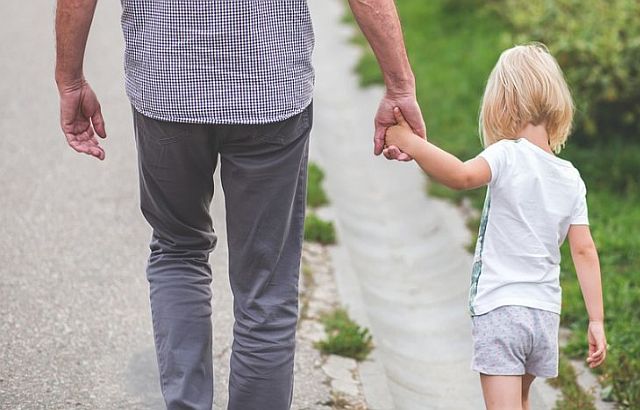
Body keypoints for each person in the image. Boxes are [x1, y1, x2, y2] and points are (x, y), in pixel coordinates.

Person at [54, 1, 424, 409]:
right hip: (270, 85)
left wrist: (70, 79)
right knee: (266, 287)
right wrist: (399, 85)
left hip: (166, 83)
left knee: (178, 251)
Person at [385, 43, 607, 410]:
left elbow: (460, 175)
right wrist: (596, 320)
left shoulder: (507, 154)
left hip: (502, 312)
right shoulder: (571, 177)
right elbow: (584, 250)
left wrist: (412, 143)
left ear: (502, 104)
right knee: (521, 400)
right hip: (544, 316)